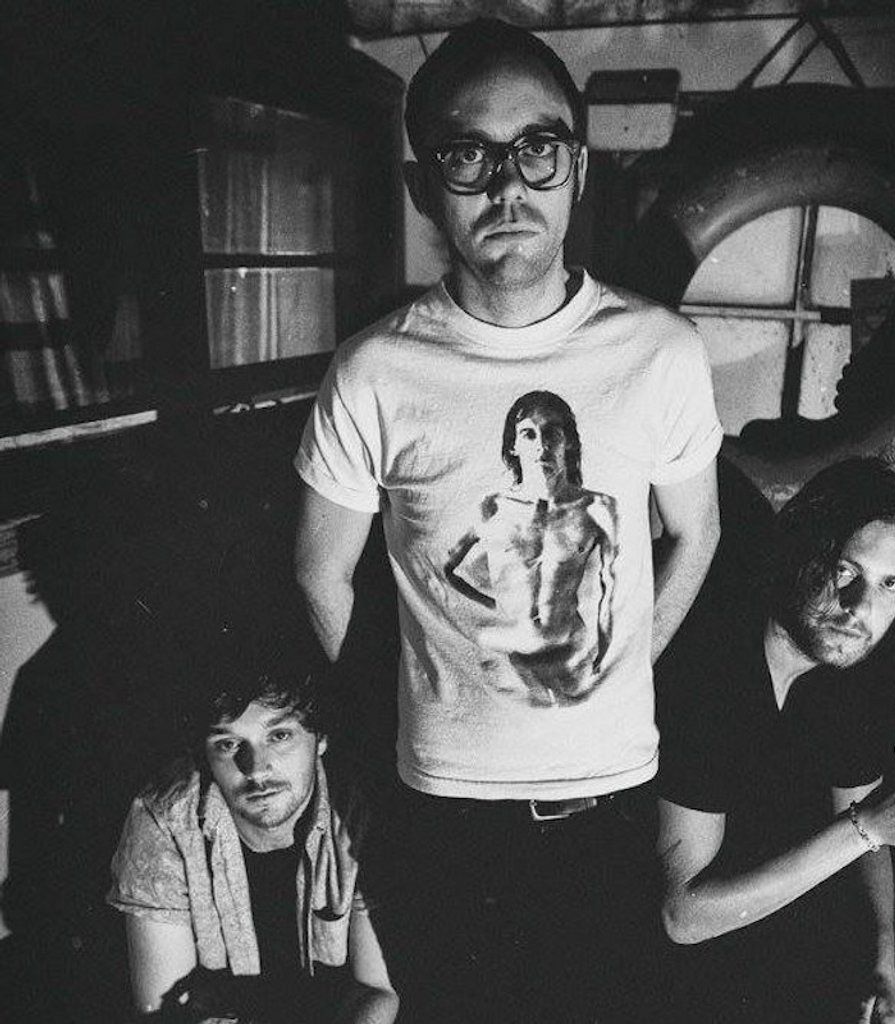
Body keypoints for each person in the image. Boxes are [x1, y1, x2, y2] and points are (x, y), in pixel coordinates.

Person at [293, 17, 721, 1021]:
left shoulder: (660, 352)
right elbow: (319, 570)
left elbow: (694, 533)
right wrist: (407, 709)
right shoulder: (374, 370)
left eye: (537, 149)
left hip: (612, 802)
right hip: (439, 814)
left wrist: (622, 662)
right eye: (466, 156)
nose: (507, 188)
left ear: (577, 169)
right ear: (421, 186)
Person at [656, 458, 895, 1024]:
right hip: (650, 975)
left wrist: (882, 970)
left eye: (890, 585)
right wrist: (869, 828)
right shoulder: (715, 664)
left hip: (762, 964)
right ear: (801, 553)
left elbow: (865, 816)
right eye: (844, 570)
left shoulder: (849, 665)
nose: (860, 608)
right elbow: (682, 916)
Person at [107, 617, 398, 1024]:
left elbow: (377, 990)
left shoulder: (361, 814)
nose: (256, 768)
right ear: (204, 753)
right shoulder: (163, 821)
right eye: (229, 744)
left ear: (321, 739)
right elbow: (165, 1013)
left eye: (279, 736)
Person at [444, 390, 618, 702]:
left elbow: (609, 592)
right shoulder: (494, 507)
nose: (541, 445)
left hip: (572, 656)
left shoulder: (596, 508)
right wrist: (492, 604)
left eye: (551, 433)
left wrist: (604, 657)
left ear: (568, 442)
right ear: (513, 445)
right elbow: (448, 570)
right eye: (528, 434)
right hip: (508, 659)